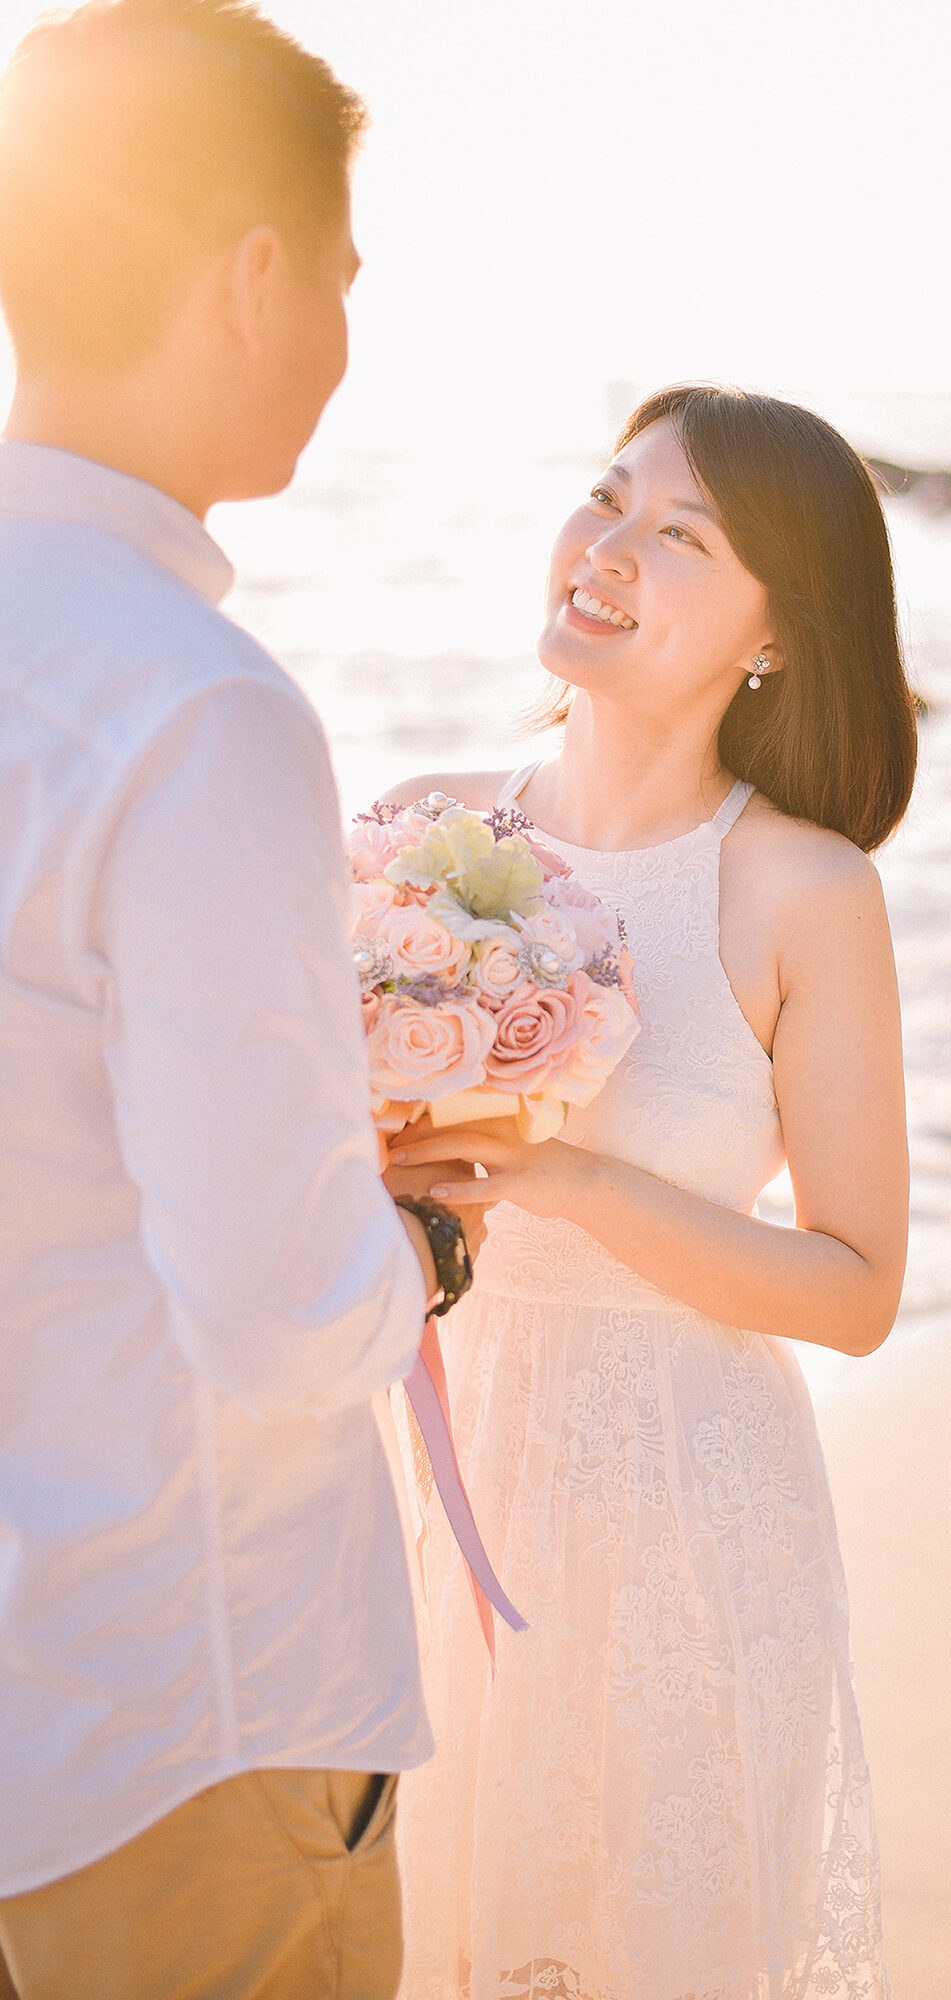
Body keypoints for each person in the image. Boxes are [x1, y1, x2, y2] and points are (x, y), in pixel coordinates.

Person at [0, 6, 468, 1994]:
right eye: (345, 281)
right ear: (257, 278)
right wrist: (429, 1234)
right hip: (180, 1710)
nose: (347, 342)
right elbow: (283, 1323)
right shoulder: (197, 711)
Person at [383, 384, 917, 1999]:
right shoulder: (418, 838)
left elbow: (855, 1287)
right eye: (606, 499)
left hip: (682, 1517)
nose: (605, 550)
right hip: (420, 1479)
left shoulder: (802, 891)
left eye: (678, 535)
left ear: (771, 634)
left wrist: (567, 1183)